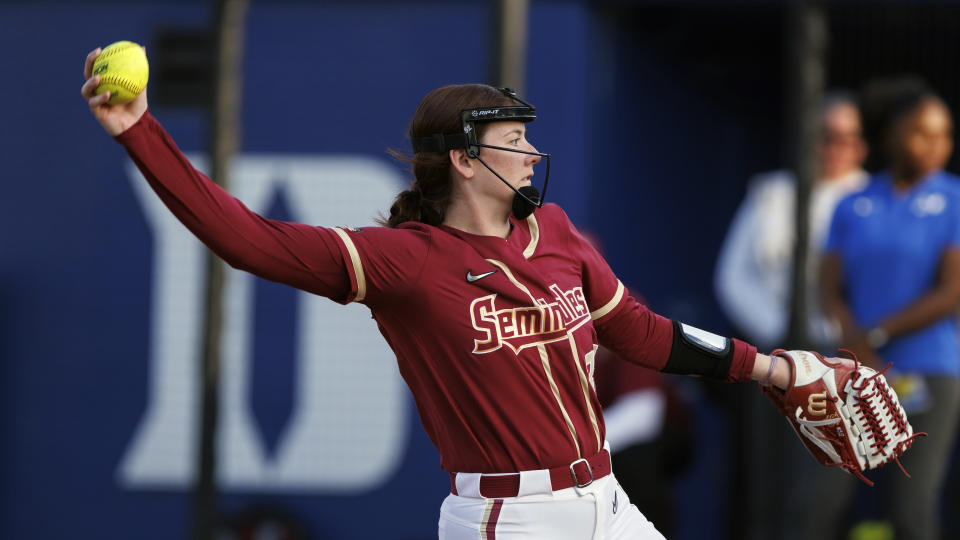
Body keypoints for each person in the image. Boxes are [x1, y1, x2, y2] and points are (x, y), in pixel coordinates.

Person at [82, 46, 808, 540]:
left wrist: (776, 369)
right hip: (508, 517)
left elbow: (641, 333)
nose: (530, 154)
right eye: (513, 140)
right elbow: (244, 238)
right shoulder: (409, 262)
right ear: (463, 160)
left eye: (529, 138)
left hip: (607, 501)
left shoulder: (555, 232)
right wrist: (140, 131)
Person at [714, 93, 869, 540]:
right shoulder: (773, 192)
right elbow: (732, 274)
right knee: (769, 478)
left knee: (825, 489)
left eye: (850, 138)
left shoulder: (868, 198)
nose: (838, 148)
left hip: (843, 360)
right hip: (776, 357)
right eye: (827, 136)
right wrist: (778, 329)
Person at [821, 78, 960, 540]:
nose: (936, 145)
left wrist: (877, 333)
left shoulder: (955, 199)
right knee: (819, 502)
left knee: (910, 510)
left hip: (928, 372)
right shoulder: (852, 203)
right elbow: (829, 287)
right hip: (855, 374)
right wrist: (856, 343)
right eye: (923, 133)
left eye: (944, 135)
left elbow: (952, 291)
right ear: (892, 135)